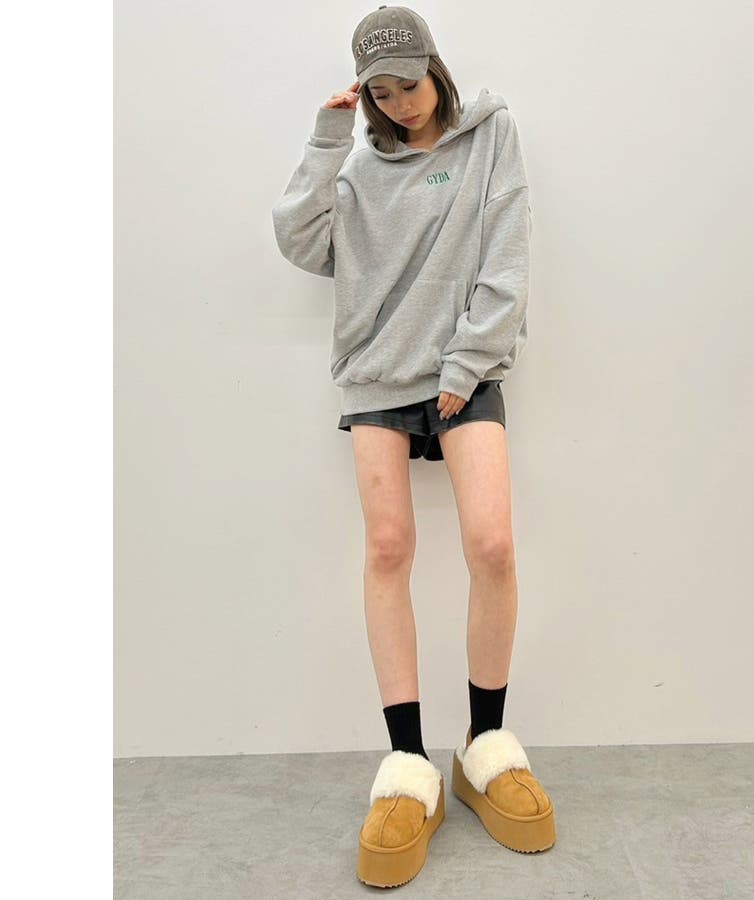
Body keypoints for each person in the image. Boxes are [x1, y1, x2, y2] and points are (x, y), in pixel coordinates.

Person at [271, 5, 555, 887]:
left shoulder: (490, 134)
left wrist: (465, 366)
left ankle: (486, 744)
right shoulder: (356, 169)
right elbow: (300, 241)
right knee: (389, 548)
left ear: (435, 67)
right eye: (381, 94)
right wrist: (328, 140)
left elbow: (507, 262)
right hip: (378, 374)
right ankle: (406, 762)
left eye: (409, 84)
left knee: (492, 544)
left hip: (466, 369)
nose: (400, 105)